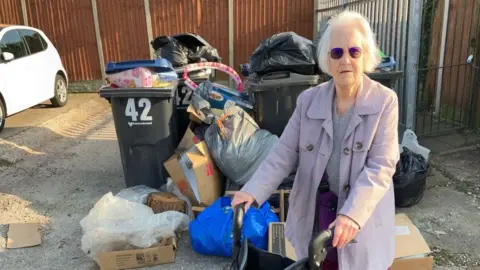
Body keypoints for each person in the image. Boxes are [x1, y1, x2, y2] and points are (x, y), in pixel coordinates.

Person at [231, 10, 399, 270]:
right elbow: (283, 153)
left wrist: (352, 216)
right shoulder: (309, 100)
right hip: (318, 217)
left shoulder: (384, 101)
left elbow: (381, 167)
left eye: (354, 52)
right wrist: (252, 190)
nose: (345, 60)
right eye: (337, 52)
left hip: (361, 223)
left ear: (365, 55)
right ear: (327, 59)